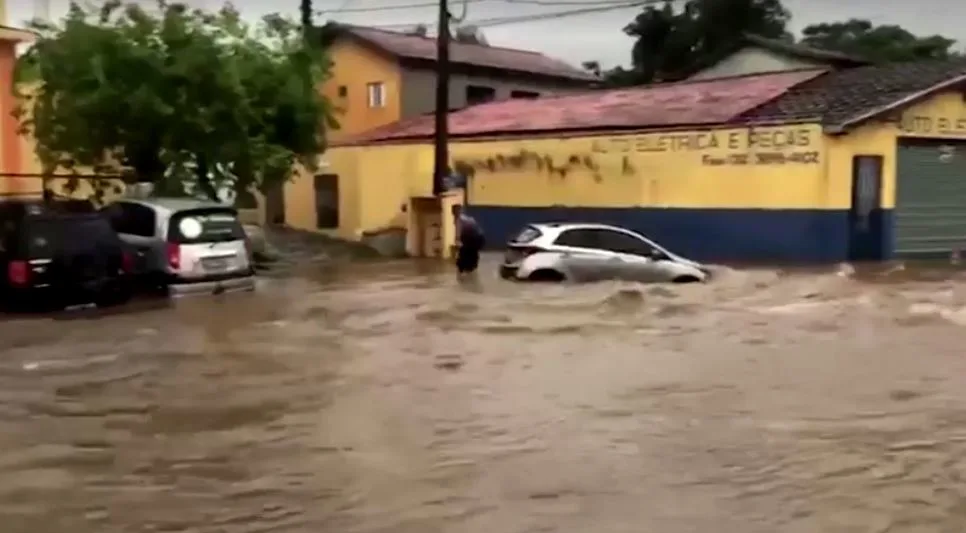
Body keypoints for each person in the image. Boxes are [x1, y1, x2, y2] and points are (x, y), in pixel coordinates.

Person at [454, 205, 485, 275]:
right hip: (479, 238)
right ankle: (471, 271)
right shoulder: (470, 218)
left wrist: (457, 242)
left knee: (463, 258)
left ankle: (463, 272)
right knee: (471, 257)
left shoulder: (459, 219)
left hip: (471, 239)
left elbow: (458, 234)